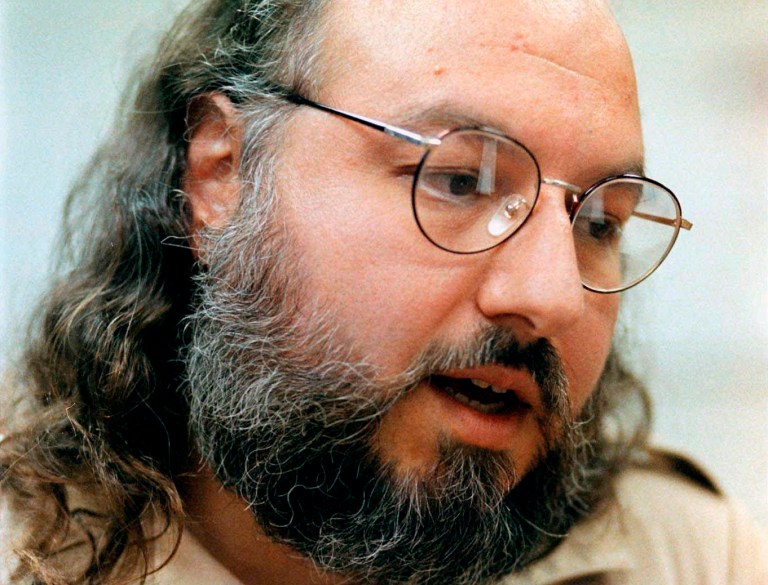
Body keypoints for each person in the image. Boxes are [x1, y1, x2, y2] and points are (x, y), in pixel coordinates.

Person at [1, 0, 766, 583]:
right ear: (222, 173)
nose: (551, 295)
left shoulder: (697, 557)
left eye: (599, 219)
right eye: (460, 180)